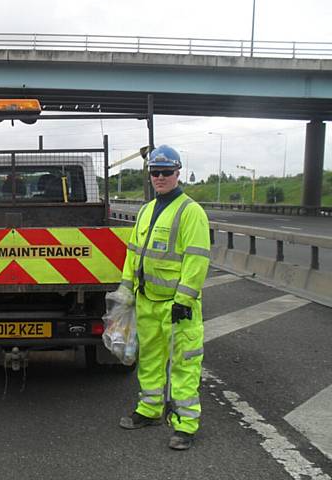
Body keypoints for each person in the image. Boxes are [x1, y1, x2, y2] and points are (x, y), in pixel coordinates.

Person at [118, 145, 210, 450]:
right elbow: (133, 253)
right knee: (151, 360)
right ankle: (149, 410)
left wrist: (184, 300)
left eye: (166, 172)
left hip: (176, 306)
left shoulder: (190, 211)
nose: (160, 177)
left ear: (177, 173)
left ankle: (186, 426)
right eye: (155, 172)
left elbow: (196, 259)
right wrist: (125, 291)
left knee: (184, 364)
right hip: (147, 301)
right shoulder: (146, 210)